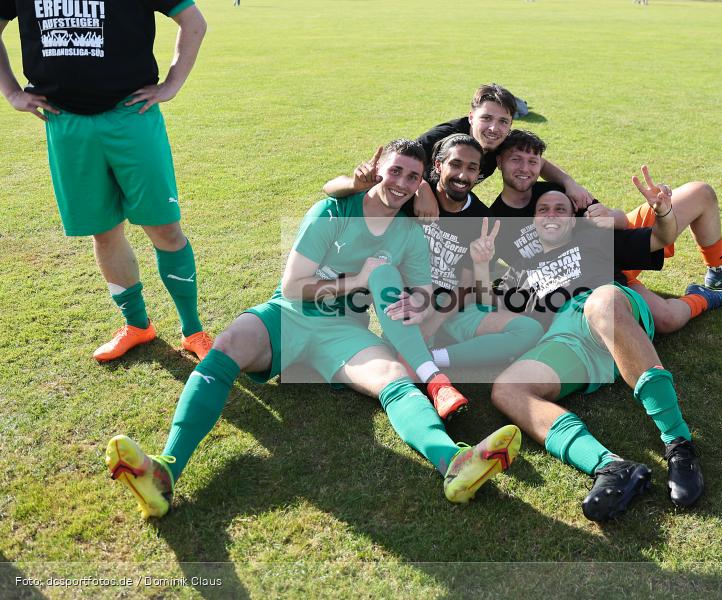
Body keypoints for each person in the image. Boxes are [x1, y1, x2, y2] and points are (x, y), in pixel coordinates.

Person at [104, 140, 521, 518]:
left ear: (420, 184)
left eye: (412, 176)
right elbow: (293, 286)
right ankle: (166, 469)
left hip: (345, 331)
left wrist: (421, 299)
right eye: (395, 171)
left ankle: (453, 463)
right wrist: (357, 282)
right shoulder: (332, 211)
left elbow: (426, 285)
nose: (402, 183)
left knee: (394, 378)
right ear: (378, 168)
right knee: (230, 342)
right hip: (289, 314)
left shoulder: (408, 232)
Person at [0, 0, 214, 361]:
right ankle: (137, 326)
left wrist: (172, 84)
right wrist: (10, 91)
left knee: (164, 228)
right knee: (104, 231)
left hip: (131, 114)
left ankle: (193, 331)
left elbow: (193, 22)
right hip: (65, 122)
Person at [489, 180, 705, 522]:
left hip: (612, 308)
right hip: (566, 338)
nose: (551, 214)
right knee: (507, 389)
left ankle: (679, 444)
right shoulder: (518, 274)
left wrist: (662, 213)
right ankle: (611, 467)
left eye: (561, 208)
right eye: (542, 209)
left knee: (601, 301)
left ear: (573, 220)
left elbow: (660, 238)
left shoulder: (593, 237)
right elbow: (487, 313)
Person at [327, 134, 543, 419]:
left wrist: (437, 318)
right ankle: (425, 371)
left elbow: (469, 285)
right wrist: (360, 181)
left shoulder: (481, 218)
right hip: (408, 302)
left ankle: (431, 358)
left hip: (452, 307)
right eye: (455, 164)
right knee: (388, 343)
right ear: (438, 166)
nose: (463, 175)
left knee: (529, 330)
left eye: (471, 168)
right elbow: (332, 189)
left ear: (479, 174)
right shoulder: (407, 196)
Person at [492, 129, 722, 335]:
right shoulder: (495, 224)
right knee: (666, 320)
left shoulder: (558, 192)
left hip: (618, 246)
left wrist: (609, 216)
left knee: (700, 193)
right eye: (516, 160)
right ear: (500, 161)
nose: (525, 168)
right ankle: (705, 297)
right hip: (597, 276)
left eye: (532, 161)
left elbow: (619, 219)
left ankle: (718, 271)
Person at [324, 83, 597, 217]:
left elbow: (537, 162)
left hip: (451, 200)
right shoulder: (444, 137)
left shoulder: (501, 140)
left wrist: (569, 183)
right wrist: (423, 190)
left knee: (483, 225)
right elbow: (404, 163)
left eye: (503, 121)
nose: (494, 128)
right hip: (406, 204)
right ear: (471, 117)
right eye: (486, 118)